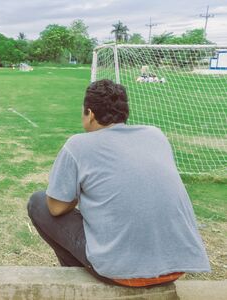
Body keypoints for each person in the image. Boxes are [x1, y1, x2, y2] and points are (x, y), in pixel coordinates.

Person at [27, 79, 210, 287]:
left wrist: (81, 196)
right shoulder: (155, 135)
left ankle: (76, 275)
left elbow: (56, 207)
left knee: (38, 202)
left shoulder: (77, 145)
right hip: (176, 266)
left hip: (124, 273)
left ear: (91, 113)